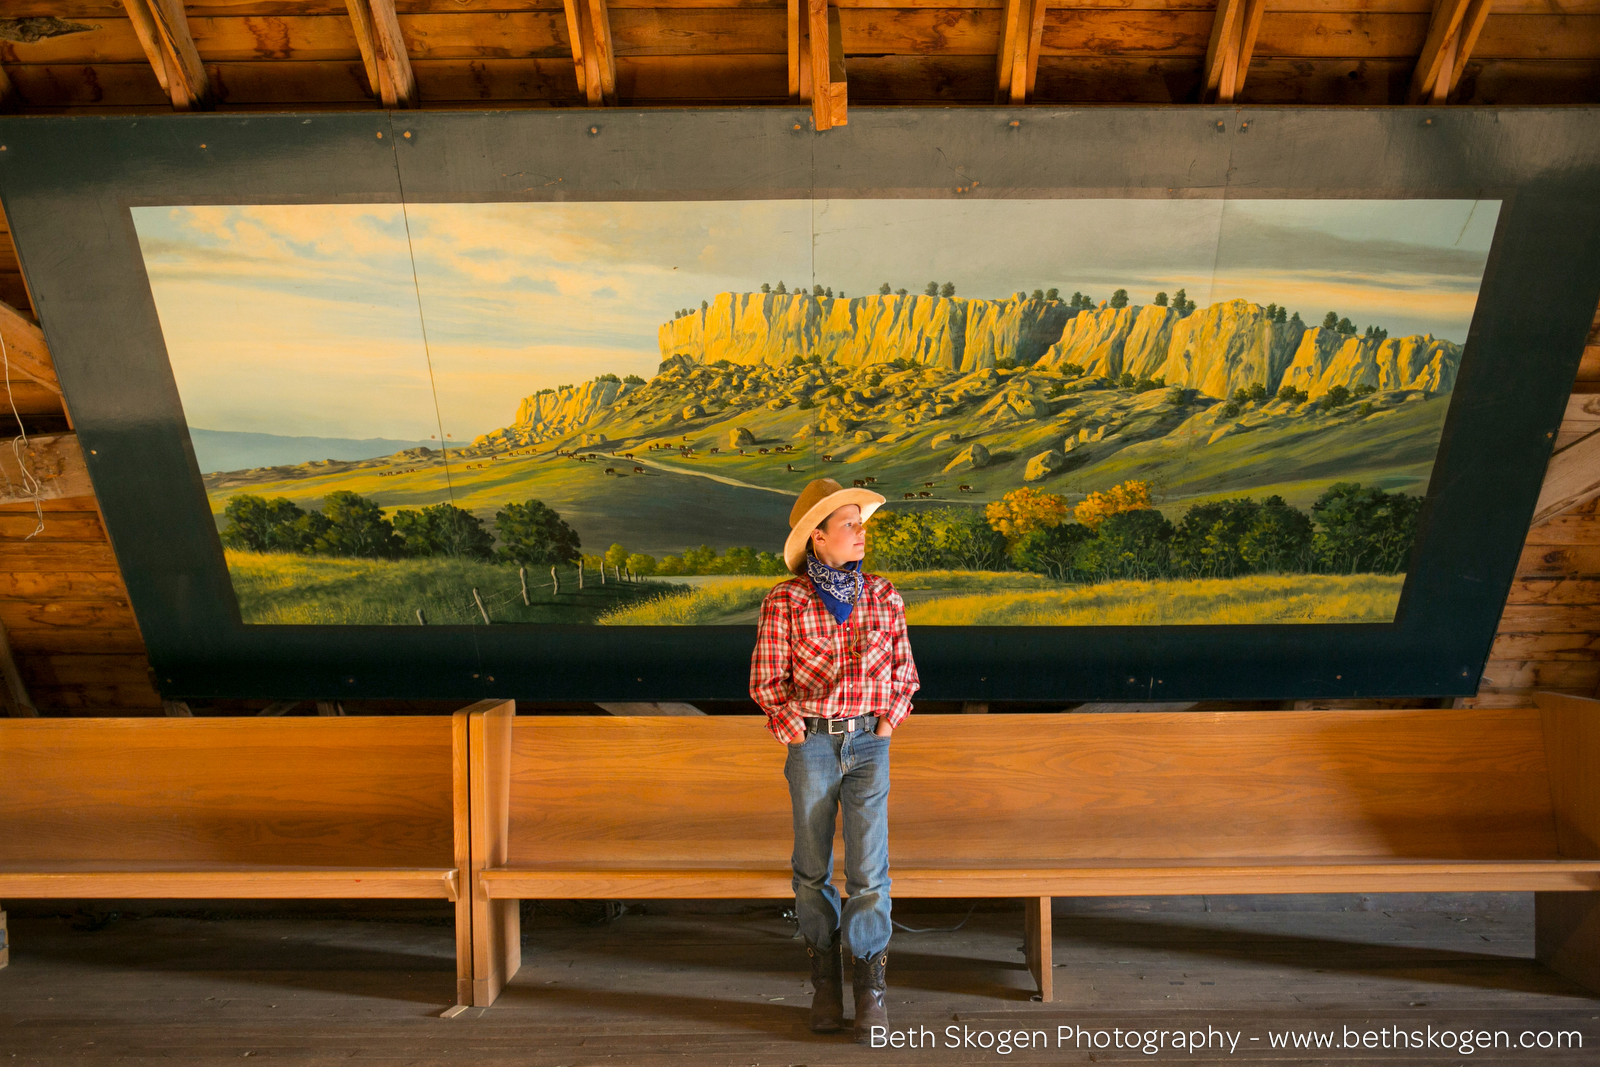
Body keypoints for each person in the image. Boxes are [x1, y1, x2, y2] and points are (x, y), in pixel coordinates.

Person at [749, 477, 920, 1042]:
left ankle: (870, 988)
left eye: (861, 522)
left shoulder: (884, 594)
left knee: (870, 871)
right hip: (815, 744)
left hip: (871, 741)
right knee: (811, 868)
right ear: (817, 538)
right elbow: (767, 681)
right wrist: (793, 730)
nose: (860, 532)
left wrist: (890, 719)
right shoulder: (787, 600)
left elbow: (905, 673)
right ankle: (824, 979)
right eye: (849, 524)